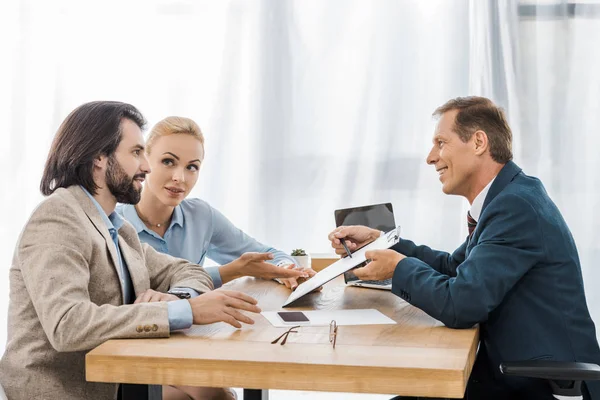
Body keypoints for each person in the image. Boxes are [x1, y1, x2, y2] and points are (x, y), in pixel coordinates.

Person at [0, 101, 304, 400]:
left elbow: (187, 270)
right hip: (67, 391)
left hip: (120, 379)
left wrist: (179, 297)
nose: (145, 166)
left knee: (217, 395)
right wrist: (185, 312)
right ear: (98, 158)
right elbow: (68, 325)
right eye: (136, 153)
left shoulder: (116, 227)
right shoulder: (59, 217)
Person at [328, 97, 600, 400]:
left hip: (538, 386)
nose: (431, 158)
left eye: (440, 143)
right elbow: (452, 267)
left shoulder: (515, 207)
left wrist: (397, 267)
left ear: (479, 142)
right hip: (507, 375)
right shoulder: (509, 196)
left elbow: (461, 305)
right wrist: (381, 242)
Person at [116, 116, 317, 399]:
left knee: (218, 394)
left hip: (185, 344)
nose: (180, 178)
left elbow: (268, 254)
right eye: (168, 162)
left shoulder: (200, 216)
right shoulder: (117, 223)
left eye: (192, 167)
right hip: (133, 350)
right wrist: (228, 272)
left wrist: (288, 271)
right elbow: (138, 297)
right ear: (146, 160)